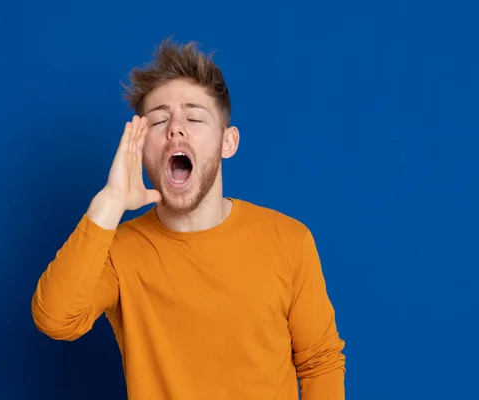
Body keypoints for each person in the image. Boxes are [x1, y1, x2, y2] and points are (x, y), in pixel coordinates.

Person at [31, 37, 346, 400]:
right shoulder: (118, 251)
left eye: (194, 117)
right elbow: (54, 319)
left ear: (228, 143)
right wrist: (110, 202)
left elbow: (320, 362)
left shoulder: (289, 240)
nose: (175, 129)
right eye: (158, 120)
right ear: (140, 146)